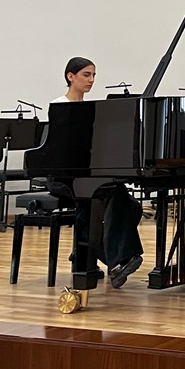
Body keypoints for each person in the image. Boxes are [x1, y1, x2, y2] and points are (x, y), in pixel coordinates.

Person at [52, 57, 143, 289]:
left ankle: (94, 254)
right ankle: (118, 260)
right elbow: (61, 150)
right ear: (70, 76)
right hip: (64, 176)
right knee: (111, 192)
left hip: (87, 174)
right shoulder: (60, 105)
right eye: (86, 75)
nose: (91, 80)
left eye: (93, 75)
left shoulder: (91, 108)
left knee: (133, 206)